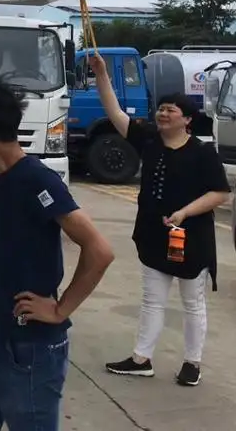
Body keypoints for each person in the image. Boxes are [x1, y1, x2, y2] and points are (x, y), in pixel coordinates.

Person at [0, 79, 115, 431]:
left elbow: (100, 250)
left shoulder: (36, 179)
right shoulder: (0, 176)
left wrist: (60, 309)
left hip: (29, 348)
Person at [88, 51, 231, 386]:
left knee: (192, 303)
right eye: (162, 108)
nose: (164, 113)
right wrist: (102, 76)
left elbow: (220, 193)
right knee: (152, 299)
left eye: (172, 110)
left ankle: (192, 363)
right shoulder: (150, 139)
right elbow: (115, 112)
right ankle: (141, 358)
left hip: (191, 238)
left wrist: (184, 212)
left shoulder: (202, 152)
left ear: (187, 120)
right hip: (153, 234)